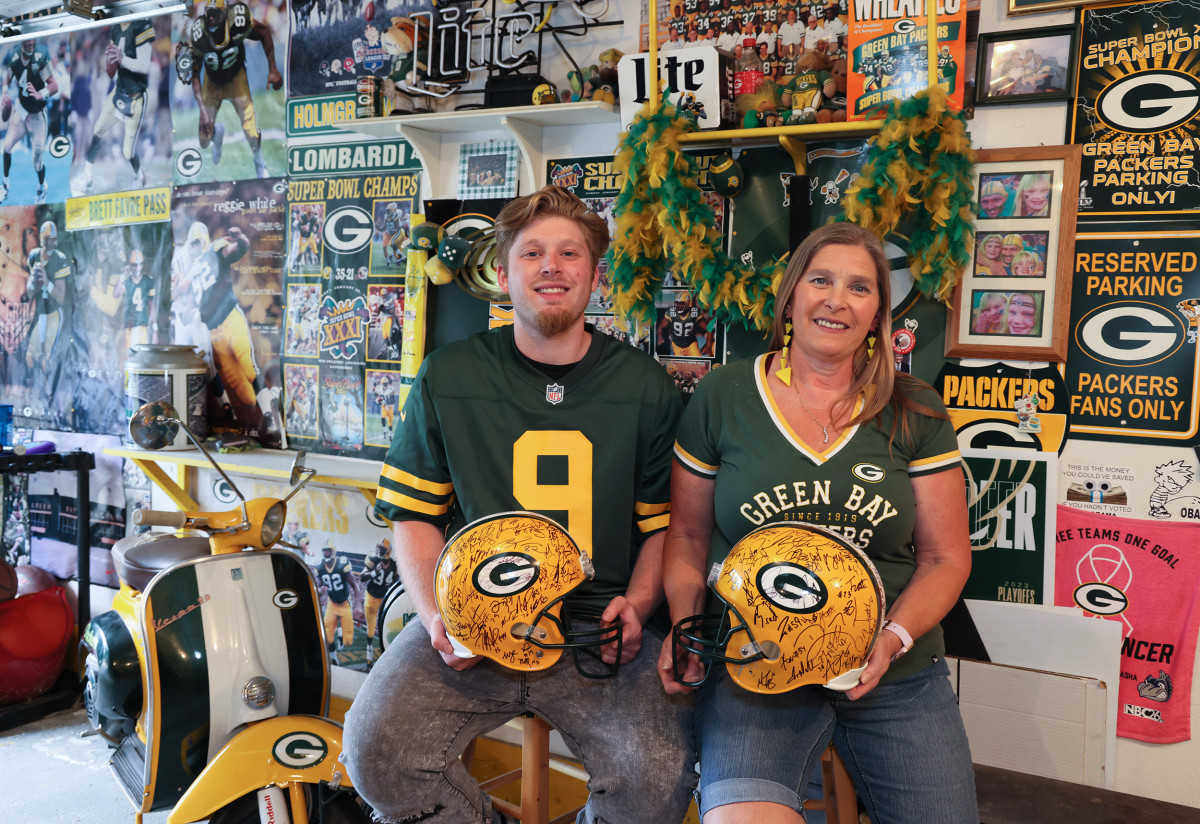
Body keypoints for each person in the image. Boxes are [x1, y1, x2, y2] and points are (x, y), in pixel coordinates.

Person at [343, 185, 696, 824]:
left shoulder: (644, 386)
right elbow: (414, 516)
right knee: (376, 753)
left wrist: (639, 605)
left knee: (658, 782)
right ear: (503, 274)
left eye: (569, 253)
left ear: (595, 274)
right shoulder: (449, 375)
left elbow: (663, 528)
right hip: (477, 616)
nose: (552, 267)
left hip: (599, 625)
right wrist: (434, 615)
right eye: (533, 253)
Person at [658, 222, 976, 824]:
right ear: (791, 295)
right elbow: (689, 537)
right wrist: (685, 625)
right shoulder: (723, 395)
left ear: (879, 309)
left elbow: (945, 559)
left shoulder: (917, 407)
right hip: (754, 662)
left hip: (893, 670)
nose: (836, 300)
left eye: (859, 287)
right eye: (821, 280)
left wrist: (892, 640)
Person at [172, 219, 283, 446]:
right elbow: (183, 313)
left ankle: (271, 420)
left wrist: (241, 237)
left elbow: (238, 248)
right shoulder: (186, 275)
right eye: (192, 244)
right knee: (240, 392)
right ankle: (264, 405)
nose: (195, 248)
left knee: (249, 368)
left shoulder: (215, 251)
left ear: (205, 243)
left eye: (198, 243)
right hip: (213, 332)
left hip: (231, 317)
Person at [177, 0, 282, 179]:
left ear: (225, 13)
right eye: (209, 13)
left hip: (236, 78)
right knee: (203, 139)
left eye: (216, 13)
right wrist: (202, 111)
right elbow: (195, 73)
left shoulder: (237, 21)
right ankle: (218, 133)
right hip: (212, 83)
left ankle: (260, 164)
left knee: (250, 130)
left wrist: (273, 69)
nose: (211, 18)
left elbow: (263, 32)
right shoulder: (199, 33)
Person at [75, 18, 153, 195]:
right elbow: (111, 72)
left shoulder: (142, 24)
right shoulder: (116, 28)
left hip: (136, 96)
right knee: (97, 131)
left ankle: (139, 175)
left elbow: (144, 66)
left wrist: (121, 58)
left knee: (128, 151)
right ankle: (87, 176)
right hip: (119, 92)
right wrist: (109, 63)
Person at [0, 39, 57, 204]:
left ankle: (41, 186)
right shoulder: (16, 57)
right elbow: (8, 76)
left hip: (38, 113)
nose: (30, 43)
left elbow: (54, 86)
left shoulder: (40, 58)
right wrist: (4, 92)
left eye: (32, 40)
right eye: (27, 41)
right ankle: (5, 186)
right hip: (22, 109)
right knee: (7, 147)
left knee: (36, 161)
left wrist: (40, 94)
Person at [317, 538, 362, 666]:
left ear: (333, 551)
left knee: (348, 640)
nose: (326, 553)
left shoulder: (341, 565)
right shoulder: (320, 567)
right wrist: (321, 591)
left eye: (328, 551)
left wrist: (358, 605)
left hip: (345, 602)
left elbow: (354, 586)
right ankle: (333, 658)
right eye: (324, 551)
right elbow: (318, 591)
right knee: (327, 635)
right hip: (331, 603)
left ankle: (342, 636)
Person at [359, 537, 399, 665]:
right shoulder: (372, 560)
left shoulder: (393, 565)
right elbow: (362, 578)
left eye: (382, 549)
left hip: (383, 598)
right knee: (370, 628)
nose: (379, 550)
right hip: (371, 597)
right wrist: (374, 572)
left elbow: (395, 582)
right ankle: (369, 654)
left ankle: (387, 654)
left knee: (386, 627)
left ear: (387, 551)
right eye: (379, 548)